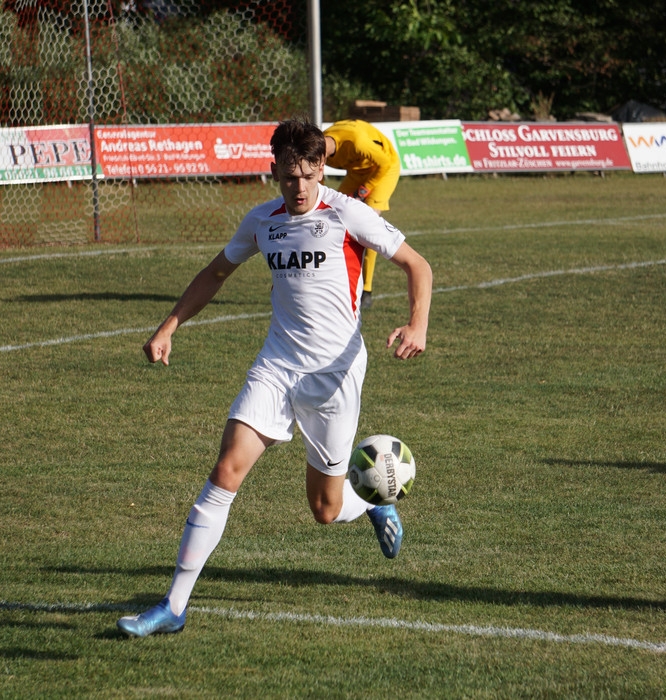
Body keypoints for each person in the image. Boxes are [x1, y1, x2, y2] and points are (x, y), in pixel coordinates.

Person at [117, 119, 433, 638]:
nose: (299, 187)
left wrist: (417, 324)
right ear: (275, 172)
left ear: (321, 169)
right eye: (289, 177)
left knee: (325, 509)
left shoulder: (348, 213)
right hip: (277, 367)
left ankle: (373, 504)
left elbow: (417, 265)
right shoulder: (262, 220)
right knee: (226, 470)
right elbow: (216, 273)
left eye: (308, 175)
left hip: (334, 377)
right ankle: (174, 606)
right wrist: (169, 326)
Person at [324, 119, 402, 310]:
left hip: (384, 167)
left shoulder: (357, 142)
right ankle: (332, 279)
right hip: (357, 171)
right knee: (331, 214)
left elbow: (384, 163)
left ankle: (366, 289)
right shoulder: (320, 146)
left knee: (369, 224)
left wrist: (364, 190)